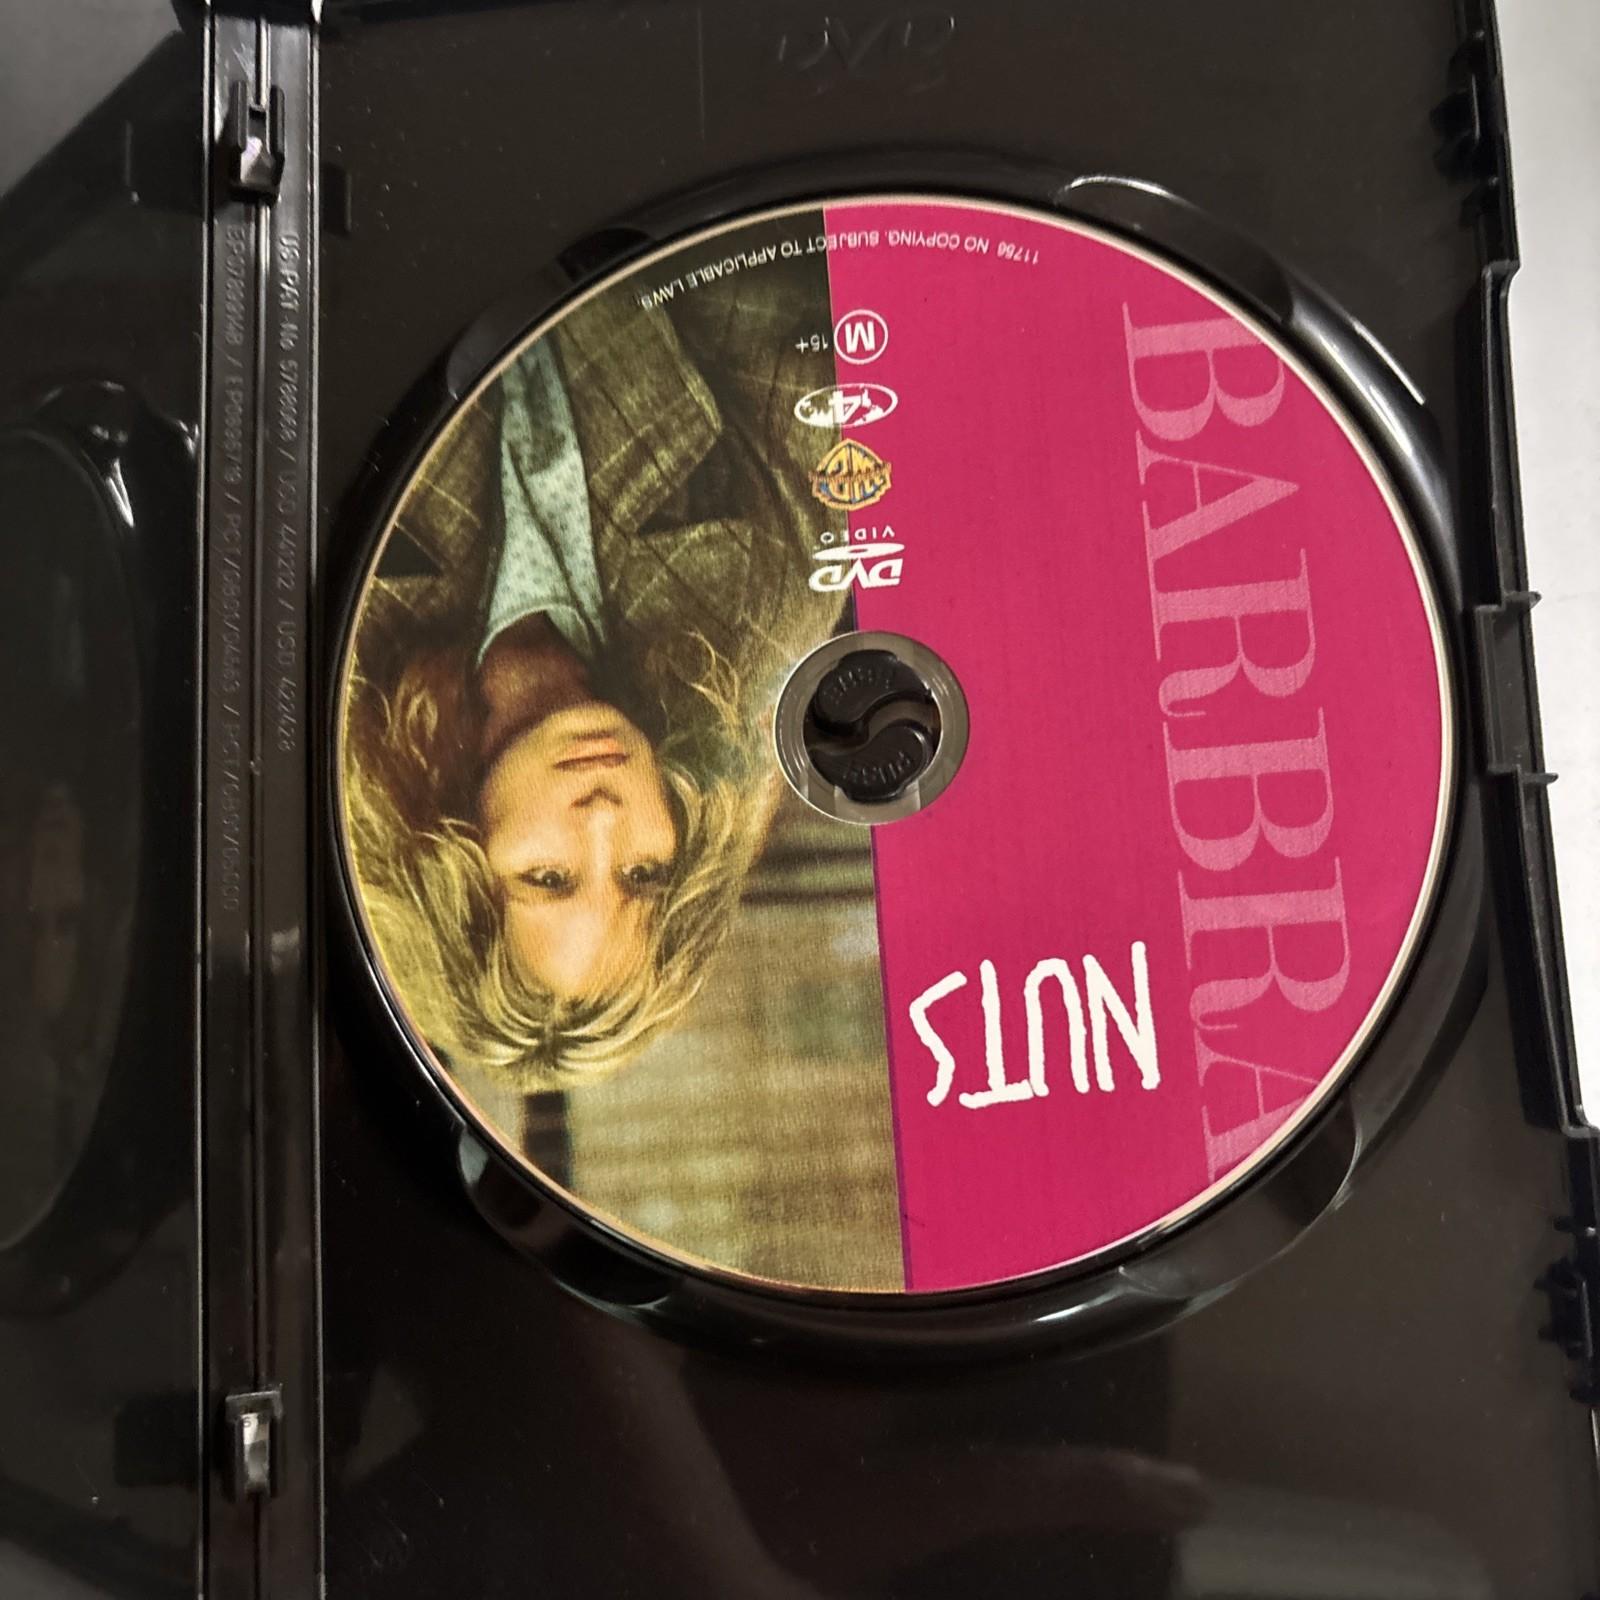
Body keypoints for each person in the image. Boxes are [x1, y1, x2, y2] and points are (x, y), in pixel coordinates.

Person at [341, 253, 847, 1089]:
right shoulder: (762, 606)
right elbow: (773, 279)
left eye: (549, 877)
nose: (606, 819)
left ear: (443, 854)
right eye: (644, 873)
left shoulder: (341, 661)